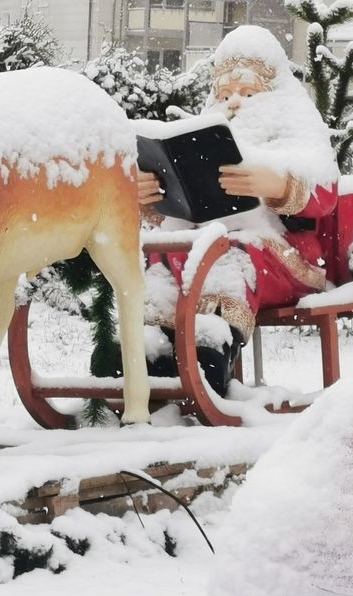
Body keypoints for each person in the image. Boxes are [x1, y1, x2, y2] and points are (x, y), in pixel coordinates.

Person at [135, 26, 340, 396]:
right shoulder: (210, 130)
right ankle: (149, 345)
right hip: (210, 237)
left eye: (247, 93)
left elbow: (326, 190)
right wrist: (153, 196)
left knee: (232, 255)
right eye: (226, 94)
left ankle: (212, 348)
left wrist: (276, 183)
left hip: (284, 250)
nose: (234, 102)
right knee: (166, 253)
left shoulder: (295, 125)